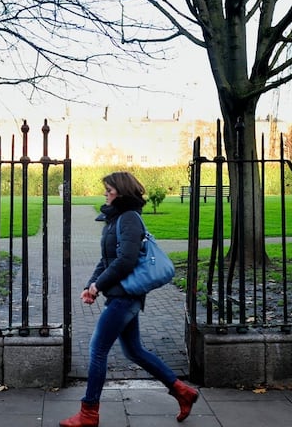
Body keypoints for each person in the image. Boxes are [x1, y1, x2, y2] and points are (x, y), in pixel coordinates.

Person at [60, 171, 198, 427]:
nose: (105, 193)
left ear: (121, 193)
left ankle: (89, 413)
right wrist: (91, 286)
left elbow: (126, 261)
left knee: (97, 350)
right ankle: (182, 391)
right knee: (133, 350)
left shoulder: (129, 219)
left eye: (109, 190)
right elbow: (107, 260)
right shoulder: (115, 219)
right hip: (121, 294)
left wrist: (98, 286)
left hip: (125, 295)